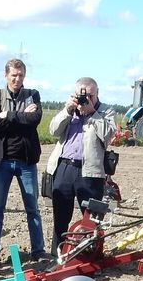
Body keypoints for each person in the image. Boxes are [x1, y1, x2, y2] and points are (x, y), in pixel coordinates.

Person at [0, 58, 46, 263]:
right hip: (2, 162)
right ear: (6, 75)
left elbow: (34, 120)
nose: (17, 79)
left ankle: (38, 251)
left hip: (26, 162)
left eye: (21, 75)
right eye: (14, 75)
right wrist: (20, 117)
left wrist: (8, 115)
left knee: (32, 208)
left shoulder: (33, 95)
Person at [45, 77, 116, 254]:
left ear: (97, 93)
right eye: (82, 95)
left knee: (92, 218)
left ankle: (92, 256)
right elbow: (53, 131)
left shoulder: (106, 111)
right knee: (60, 216)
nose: (86, 99)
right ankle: (58, 254)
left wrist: (93, 113)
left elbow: (108, 135)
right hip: (64, 167)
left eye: (91, 95)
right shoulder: (70, 110)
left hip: (90, 172)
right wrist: (67, 110)